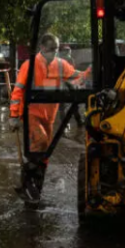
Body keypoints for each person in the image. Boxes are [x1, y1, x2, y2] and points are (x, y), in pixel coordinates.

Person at [9, 34, 87, 204]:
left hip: (49, 116)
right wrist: (14, 116)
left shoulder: (60, 65)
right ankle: (28, 183)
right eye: (52, 49)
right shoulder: (29, 66)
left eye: (56, 49)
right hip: (32, 114)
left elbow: (76, 76)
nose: (54, 52)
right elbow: (17, 92)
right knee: (41, 142)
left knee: (44, 153)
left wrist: (90, 72)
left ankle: (33, 189)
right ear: (42, 48)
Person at [58, 45, 84, 128]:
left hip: (61, 83)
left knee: (62, 105)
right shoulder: (70, 59)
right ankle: (79, 121)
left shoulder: (58, 60)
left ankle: (64, 124)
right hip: (69, 83)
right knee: (74, 103)